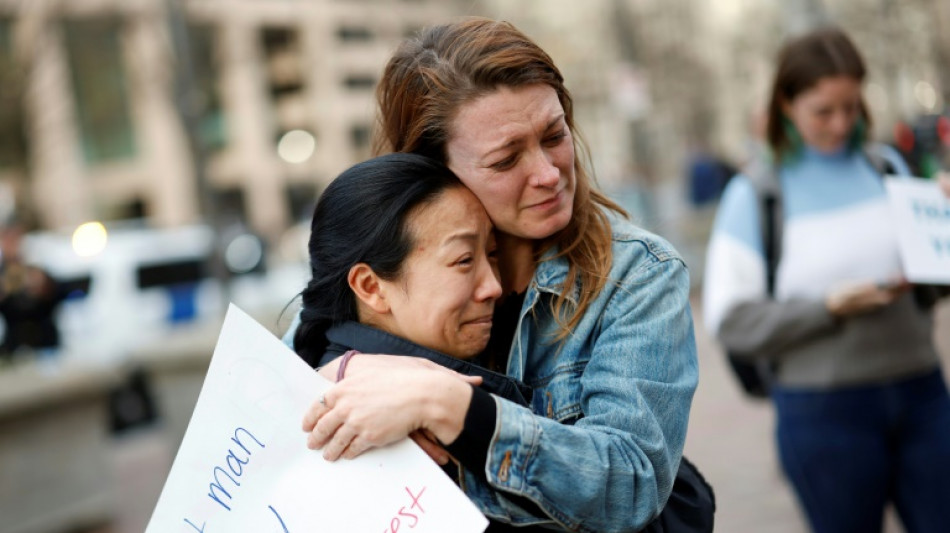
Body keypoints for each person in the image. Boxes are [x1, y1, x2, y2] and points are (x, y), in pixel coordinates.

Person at [292, 17, 701, 532]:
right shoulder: (373, 256)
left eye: (555, 135)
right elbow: (279, 427)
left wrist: (448, 405)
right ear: (433, 169)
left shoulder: (637, 274)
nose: (549, 174)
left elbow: (629, 485)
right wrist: (332, 379)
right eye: (506, 160)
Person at [703, 27, 950, 533]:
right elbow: (731, 321)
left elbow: (935, 282)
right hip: (824, 414)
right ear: (787, 106)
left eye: (851, 106)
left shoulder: (889, 169)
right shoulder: (756, 195)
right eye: (823, 111)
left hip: (922, 393)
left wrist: (942, 224)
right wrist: (828, 308)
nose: (841, 123)